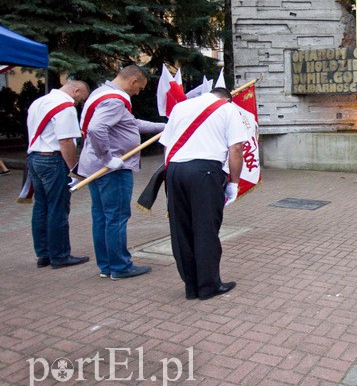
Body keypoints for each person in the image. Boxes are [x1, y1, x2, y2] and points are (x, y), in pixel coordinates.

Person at [160, 87, 248, 300]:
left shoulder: (180, 107)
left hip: (174, 170)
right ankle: (208, 286)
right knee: (205, 229)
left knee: (181, 230)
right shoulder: (228, 110)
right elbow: (236, 149)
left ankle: (191, 286)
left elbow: (166, 145)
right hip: (204, 172)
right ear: (227, 99)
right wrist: (234, 183)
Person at [78, 65, 164, 280]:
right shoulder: (115, 99)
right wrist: (108, 158)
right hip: (112, 169)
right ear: (133, 81)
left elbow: (129, 124)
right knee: (115, 217)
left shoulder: (101, 93)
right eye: (140, 88)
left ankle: (107, 265)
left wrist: (161, 127)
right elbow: (96, 129)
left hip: (96, 168)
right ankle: (120, 266)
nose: (138, 92)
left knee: (101, 217)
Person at [26, 80, 91, 268]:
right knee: (57, 208)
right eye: (81, 99)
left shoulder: (38, 102)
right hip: (53, 161)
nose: (79, 103)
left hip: (35, 158)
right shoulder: (66, 107)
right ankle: (60, 255)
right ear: (76, 90)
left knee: (41, 207)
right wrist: (74, 170)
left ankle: (43, 254)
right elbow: (66, 142)